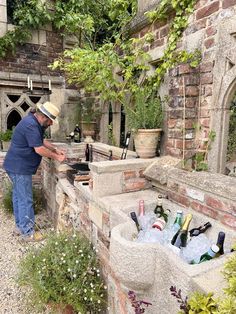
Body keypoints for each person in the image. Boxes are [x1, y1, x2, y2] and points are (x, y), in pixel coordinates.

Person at [3, 101, 66, 242]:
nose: (51, 124)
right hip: (19, 167)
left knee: (19, 197)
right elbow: (39, 149)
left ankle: (20, 227)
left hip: (14, 165)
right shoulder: (31, 125)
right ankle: (28, 233)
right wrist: (57, 157)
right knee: (25, 199)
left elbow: (41, 141)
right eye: (50, 121)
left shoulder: (32, 120)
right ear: (44, 117)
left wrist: (55, 149)